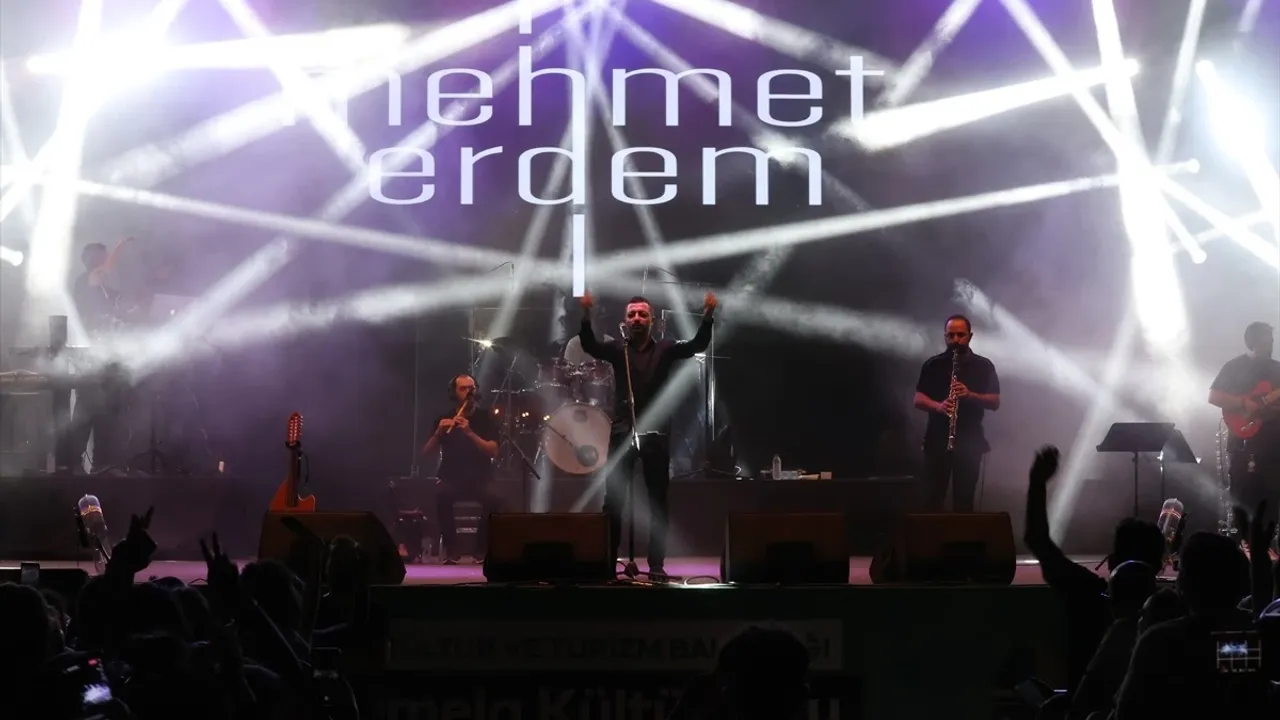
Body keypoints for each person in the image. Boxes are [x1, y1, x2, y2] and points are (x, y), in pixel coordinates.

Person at [578, 291, 716, 578]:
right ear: (625, 321)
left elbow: (697, 345)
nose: (637, 318)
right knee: (613, 501)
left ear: (653, 320)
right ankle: (607, 563)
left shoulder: (665, 349)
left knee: (658, 501)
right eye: (632, 315)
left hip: (656, 434)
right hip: (622, 432)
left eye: (642, 314)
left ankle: (656, 565)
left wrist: (707, 317)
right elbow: (590, 345)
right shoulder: (617, 350)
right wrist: (586, 315)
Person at [912, 314, 1001, 512]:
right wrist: (939, 406)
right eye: (950, 335)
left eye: (960, 335)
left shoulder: (984, 366)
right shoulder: (933, 364)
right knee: (932, 500)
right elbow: (918, 399)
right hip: (936, 442)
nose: (955, 340)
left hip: (970, 443)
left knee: (964, 502)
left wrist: (970, 395)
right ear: (945, 336)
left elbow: (995, 402)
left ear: (970, 336)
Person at [1209, 321, 1280, 551]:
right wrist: (1243, 403)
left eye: (1272, 340)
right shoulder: (1234, 367)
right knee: (1242, 495)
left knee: (1272, 498)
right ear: (1252, 342)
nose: (1271, 345)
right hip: (1243, 444)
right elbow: (1213, 396)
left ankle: (1266, 546)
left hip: (1272, 447)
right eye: (1266, 341)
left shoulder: (1277, 369)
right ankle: (1245, 545)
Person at [421, 374, 503, 564]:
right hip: (451, 477)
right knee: (441, 497)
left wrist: (469, 432)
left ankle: (481, 551)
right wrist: (438, 433)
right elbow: (425, 454)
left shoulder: (485, 417)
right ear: (454, 393)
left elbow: (493, 451)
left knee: (495, 500)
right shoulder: (443, 418)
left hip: (481, 477)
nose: (468, 392)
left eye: (471, 388)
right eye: (463, 388)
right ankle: (452, 550)